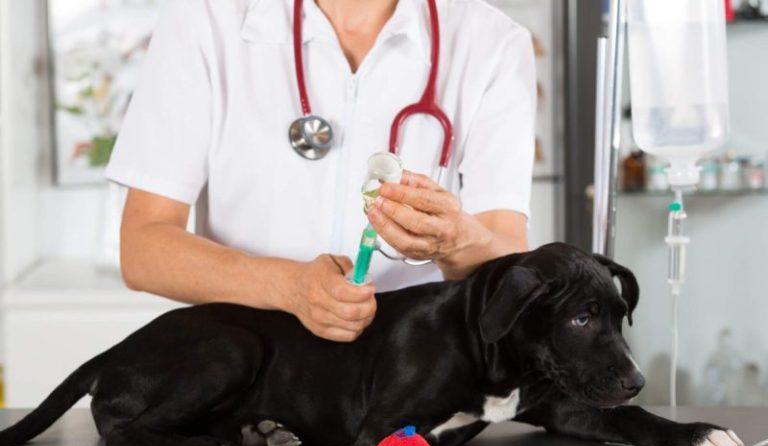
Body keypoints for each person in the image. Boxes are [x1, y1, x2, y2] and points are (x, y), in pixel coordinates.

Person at [106, 0, 536, 342]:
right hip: (246, 370)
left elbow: (510, 267)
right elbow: (143, 251)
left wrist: (458, 241)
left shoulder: (492, 44)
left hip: (410, 380)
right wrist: (288, 287)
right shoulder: (206, 18)